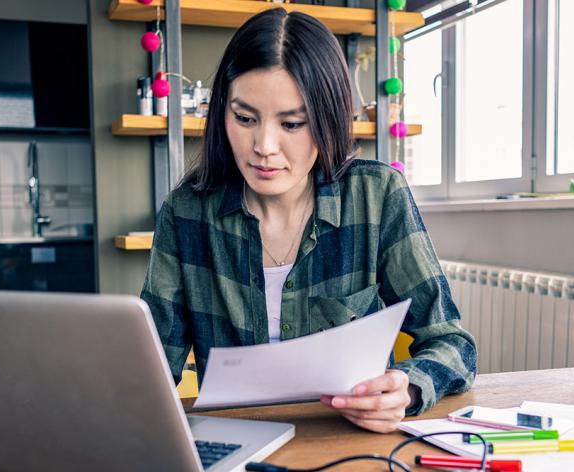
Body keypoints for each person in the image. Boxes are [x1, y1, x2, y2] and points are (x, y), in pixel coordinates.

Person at [141, 8, 476, 433]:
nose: (263, 146)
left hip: (349, 440)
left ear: (328, 120)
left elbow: (451, 343)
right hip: (233, 443)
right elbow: (152, 371)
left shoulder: (376, 196)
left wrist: (406, 388)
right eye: (244, 118)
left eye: (292, 123)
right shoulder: (186, 213)